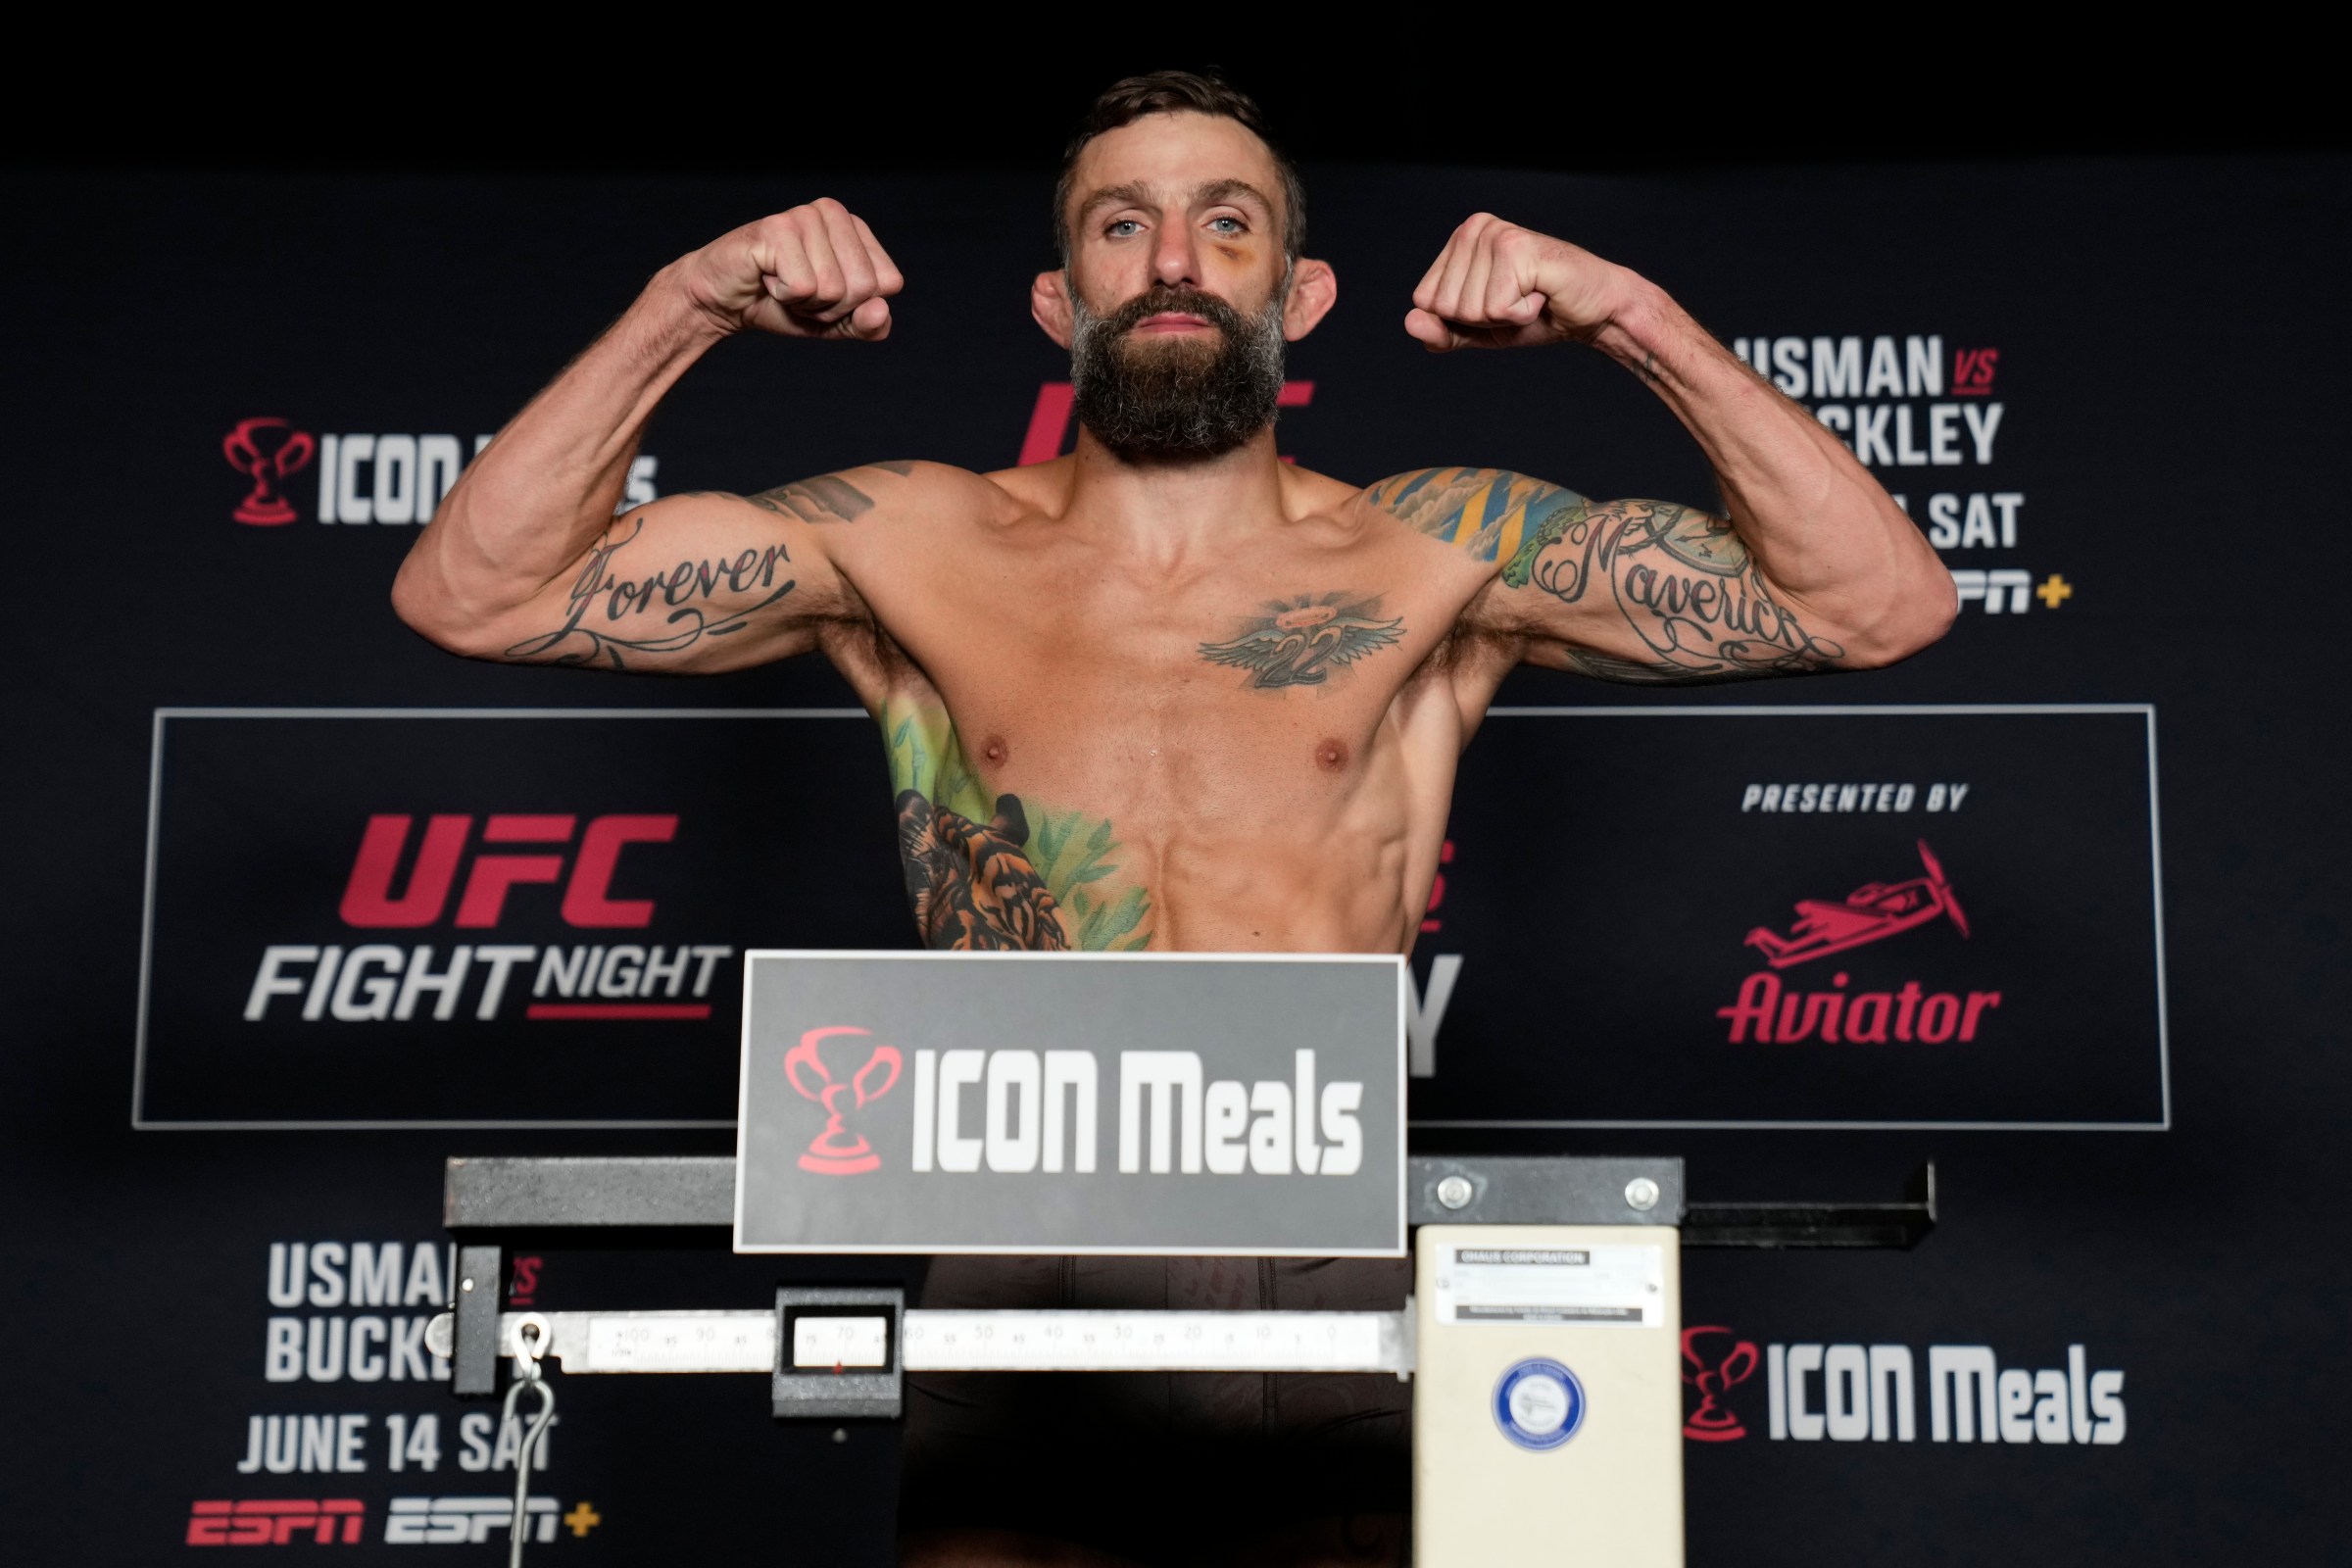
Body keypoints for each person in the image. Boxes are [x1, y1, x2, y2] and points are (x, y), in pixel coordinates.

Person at [393, 69, 1953, 1568]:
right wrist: (687, 301)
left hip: (1320, 1236)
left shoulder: (1434, 552)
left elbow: (1876, 606)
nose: (1175, 260)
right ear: (1056, 299)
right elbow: (478, 593)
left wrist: (1634, 317)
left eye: (1227, 221)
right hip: (1008, 1237)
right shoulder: (914, 540)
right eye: (1121, 224)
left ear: (1302, 292)